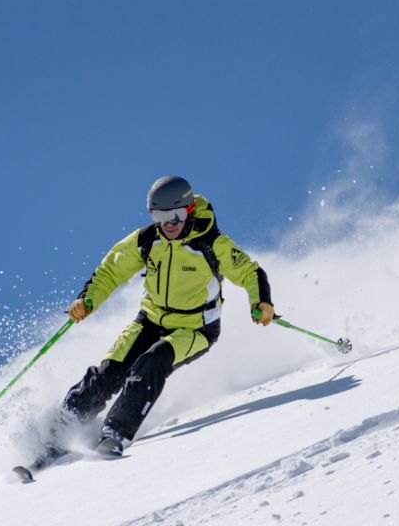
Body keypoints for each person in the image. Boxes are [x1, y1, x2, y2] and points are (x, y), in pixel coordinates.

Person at [50, 175, 274, 459]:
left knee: (151, 363)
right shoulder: (146, 239)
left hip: (196, 328)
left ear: (189, 210)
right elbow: (111, 270)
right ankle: (60, 430)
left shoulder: (211, 243)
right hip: (151, 319)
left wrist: (261, 301)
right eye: (160, 216)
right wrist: (87, 299)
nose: (169, 224)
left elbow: (250, 272)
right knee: (110, 371)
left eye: (177, 215)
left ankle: (115, 433)